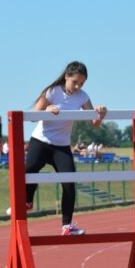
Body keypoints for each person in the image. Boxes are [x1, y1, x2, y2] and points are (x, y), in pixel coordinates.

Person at [11, 60, 106, 236]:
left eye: (81, 83)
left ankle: (67, 225)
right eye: (75, 82)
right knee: (29, 170)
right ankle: (26, 201)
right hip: (41, 140)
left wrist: (99, 113)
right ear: (66, 77)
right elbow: (33, 117)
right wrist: (48, 108)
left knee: (69, 183)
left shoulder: (83, 96)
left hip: (61, 146)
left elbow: (94, 122)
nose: (77, 86)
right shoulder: (52, 91)